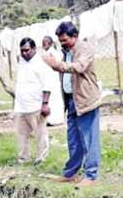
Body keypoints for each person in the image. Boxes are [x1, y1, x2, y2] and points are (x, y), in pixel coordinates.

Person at [43, 21, 102, 187]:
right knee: (73, 140)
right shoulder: (66, 51)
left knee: (89, 139)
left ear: (74, 36)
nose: (63, 43)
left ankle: (91, 175)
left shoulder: (85, 49)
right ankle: (71, 173)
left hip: (85, 100)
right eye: (60, 41)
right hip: (71, 101)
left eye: (65, 40)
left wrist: (57, 65)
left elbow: (80, 67)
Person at [13, 37, 51, 164]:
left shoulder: (40, 64)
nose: (24, 53)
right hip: (21, 107)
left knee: (40, 134)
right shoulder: (21, 63)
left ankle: (42, 158)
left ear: (34, 49)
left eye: (27, 50)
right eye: (22, 51)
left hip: (36, 106)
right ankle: (23, 158)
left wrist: (45, 104)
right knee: (21, 135)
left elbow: (47, 85)